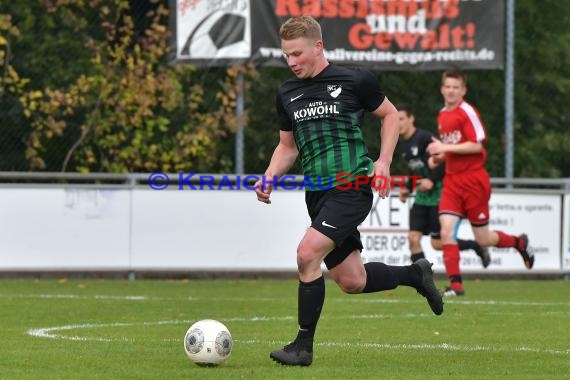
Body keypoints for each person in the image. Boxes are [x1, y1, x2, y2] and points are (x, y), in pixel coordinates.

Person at [254, 16, 443, 367]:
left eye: (297, 53)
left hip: (351, 188)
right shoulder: (287, 93)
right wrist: (269, 176)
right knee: (352, 280)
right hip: (317, 194)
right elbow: (287, 147)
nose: (292, 62)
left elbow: (389, 116)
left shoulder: (355, 79)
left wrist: (383, 162)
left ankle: (302, 347)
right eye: (286, 56)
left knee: (306, 254)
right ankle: (414, 274)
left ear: (318, 46)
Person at [426, 70, 534, 297]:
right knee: (447, 231)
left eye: (456, 87)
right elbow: (455, 148)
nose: (451, 91)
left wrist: (443, 148)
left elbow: (476, 146)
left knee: (483, 238)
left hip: (474, 181)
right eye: (448, 86)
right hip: (452, 182)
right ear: (442, 89)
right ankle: (456, 286)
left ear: (463, 90)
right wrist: (439, 158)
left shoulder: (467, 112)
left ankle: (519, 242)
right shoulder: (443, 115)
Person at [397, 105, 490, 267]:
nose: (398, 123)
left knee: (438, 243)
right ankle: (422, 279)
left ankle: (476, 246)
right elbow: (414, 169)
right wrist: (408, 188)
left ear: (411, 119)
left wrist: (432, 180)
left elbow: (445, 158)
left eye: (401, 119)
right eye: (395, 120)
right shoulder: (404, 143)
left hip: (438, 195)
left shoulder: (424, 137)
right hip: (422, 197)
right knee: (413, 238)